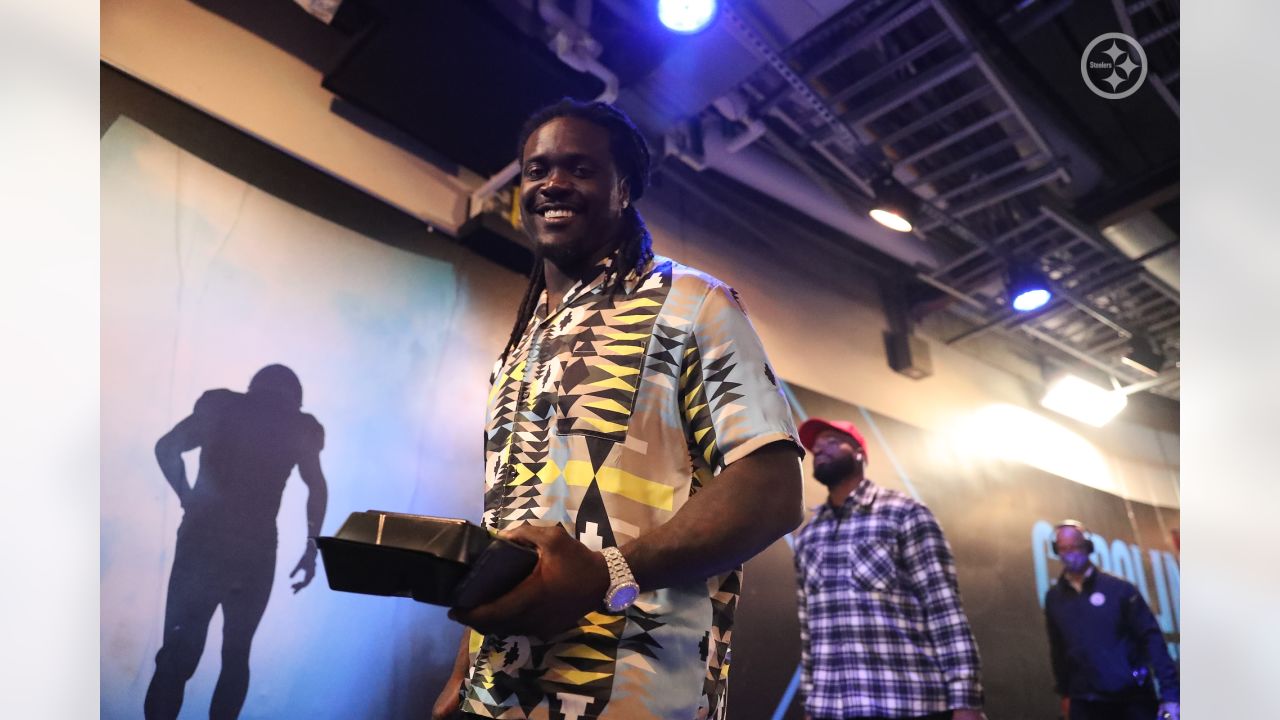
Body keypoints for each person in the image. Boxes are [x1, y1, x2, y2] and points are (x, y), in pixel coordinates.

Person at [430, 99, 804, 720]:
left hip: (634, 690)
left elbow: (771, 489)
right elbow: (512, 533)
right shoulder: (521, 345)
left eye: (579, 168)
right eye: (536, 169)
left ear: (623, 188)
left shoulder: (692, 303)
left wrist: (609, 572)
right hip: (501, 691)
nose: (551, 182)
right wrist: (462, 669)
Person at [144, 364, 328, 720]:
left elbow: (166, 447)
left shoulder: (222, 409)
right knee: (236, 654)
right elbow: (316, 488)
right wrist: (310, 549)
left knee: (177, 655)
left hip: (203, 540)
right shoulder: (297, 427)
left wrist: (188, 497)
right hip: (254, 550)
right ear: (294, 399)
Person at [792, 417, 985, 720]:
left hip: (908, 703)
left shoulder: (904, 513)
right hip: (831, 706)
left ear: (859, 452)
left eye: (830, 440)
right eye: (815, 447)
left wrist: (966, 701)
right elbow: (810, 632)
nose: (819, 448)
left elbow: (944, 611)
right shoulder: (808, 536)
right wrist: (811, 702)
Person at [1044, 521, 1180, 720]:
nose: (1069, 553)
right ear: (1056, 551)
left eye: (1074, 546)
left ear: (1088, 547)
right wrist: (1065, 693)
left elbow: (1152, 641)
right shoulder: (1054, 598)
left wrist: (1170, 695)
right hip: (1085, 701)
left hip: (1132, 700)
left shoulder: (1120, 590)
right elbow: (1058, 650)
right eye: (1063, 548)